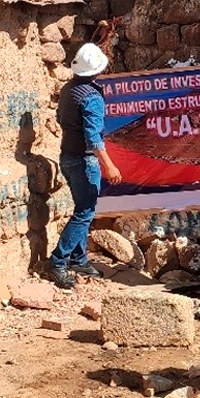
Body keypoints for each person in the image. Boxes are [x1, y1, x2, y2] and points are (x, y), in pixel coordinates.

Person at [48, 43, 123, 290]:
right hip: (83, 160)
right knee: (85, 212)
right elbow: (93, 138)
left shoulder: (69, 90)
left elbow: (61, 119)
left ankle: (78, 259)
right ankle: (59, 261)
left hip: (67, 156)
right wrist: (109, 166)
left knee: (83, 208)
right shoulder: (91, 97)